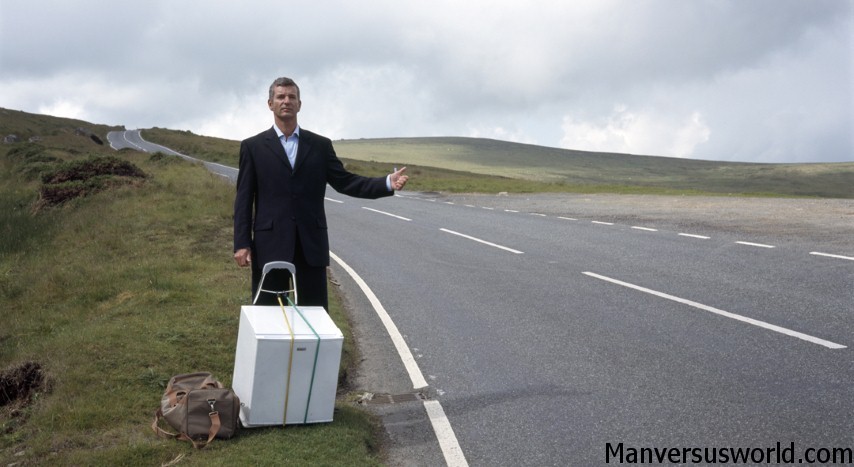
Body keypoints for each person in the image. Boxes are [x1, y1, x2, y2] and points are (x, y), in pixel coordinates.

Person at [233, 77, 408, 309]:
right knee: (269, 317)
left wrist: (386, 183)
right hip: (270, 245)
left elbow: (345, 182)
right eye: (281, 97)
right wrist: (242, 243)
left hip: (310, 245)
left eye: (292, 97)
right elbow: (244, 199)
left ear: (299, 104)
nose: (286, 101)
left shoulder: (320, 146)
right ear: (270, 104)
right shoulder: (253, 147)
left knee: (314, 316)